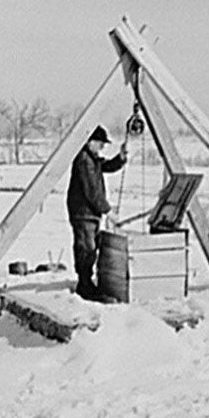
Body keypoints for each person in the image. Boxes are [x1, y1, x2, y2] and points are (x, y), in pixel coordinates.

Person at [66, 125, 128, 300]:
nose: (102, 147)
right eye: (100, 143)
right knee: (87, 247)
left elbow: (106, 166)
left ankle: (86, 282)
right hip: (83, 213)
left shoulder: (91, 158)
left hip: (88, 212)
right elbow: (92, 191)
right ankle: (84, 285)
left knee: (89, 246)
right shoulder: (84, 160)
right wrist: (108, 211)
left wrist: (120, 158)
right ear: (90, 141)